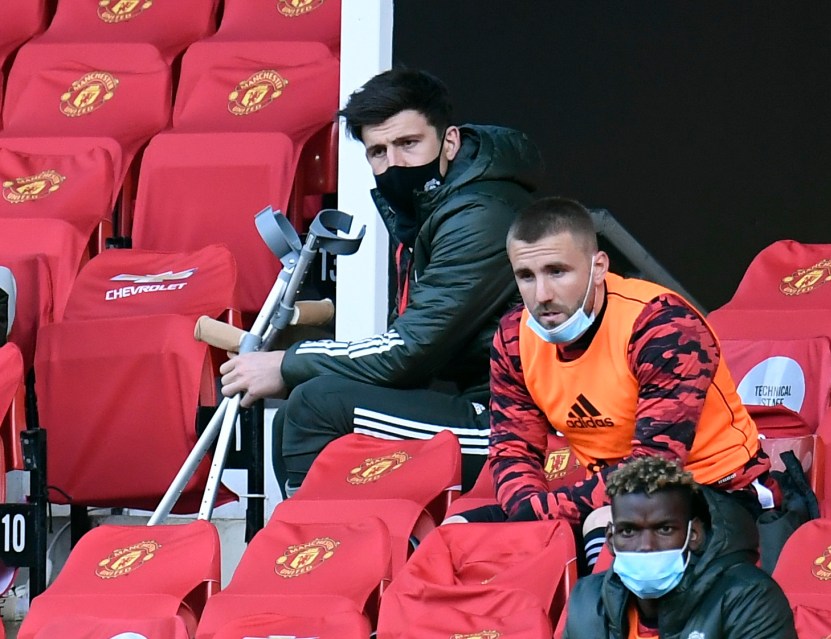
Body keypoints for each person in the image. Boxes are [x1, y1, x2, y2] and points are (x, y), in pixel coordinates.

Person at [219, 69, 542, 495]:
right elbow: (405, 356)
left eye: (408, 144)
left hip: (517, 425)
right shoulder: (428, 210)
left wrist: (287, 363)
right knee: (306, 407)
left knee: (315, 407)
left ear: (449, 142)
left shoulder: (479, 215)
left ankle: (321, 551)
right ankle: (346, 545)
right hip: (484, 404)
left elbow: (408, 352)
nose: (394, 164)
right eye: (378, 152)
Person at [450, 196, 774, 561]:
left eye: (557, 271)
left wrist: (541, 512)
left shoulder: (663, 327)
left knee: (605, 524)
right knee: (455, 534)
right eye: (526, 276)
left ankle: (599, 619)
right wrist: (527, 508)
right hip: (606, 493)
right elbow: (513, 448)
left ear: (599, 267)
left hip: (719, 491)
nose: (542, 295)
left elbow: (654, 468)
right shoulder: (513, 337)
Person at [562, 456, 797, 639]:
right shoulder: (588, 600)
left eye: (664, 529)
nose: (645, 546)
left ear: (693, 534)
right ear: (611, 540)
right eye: (629, 531)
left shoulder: (749, 597)